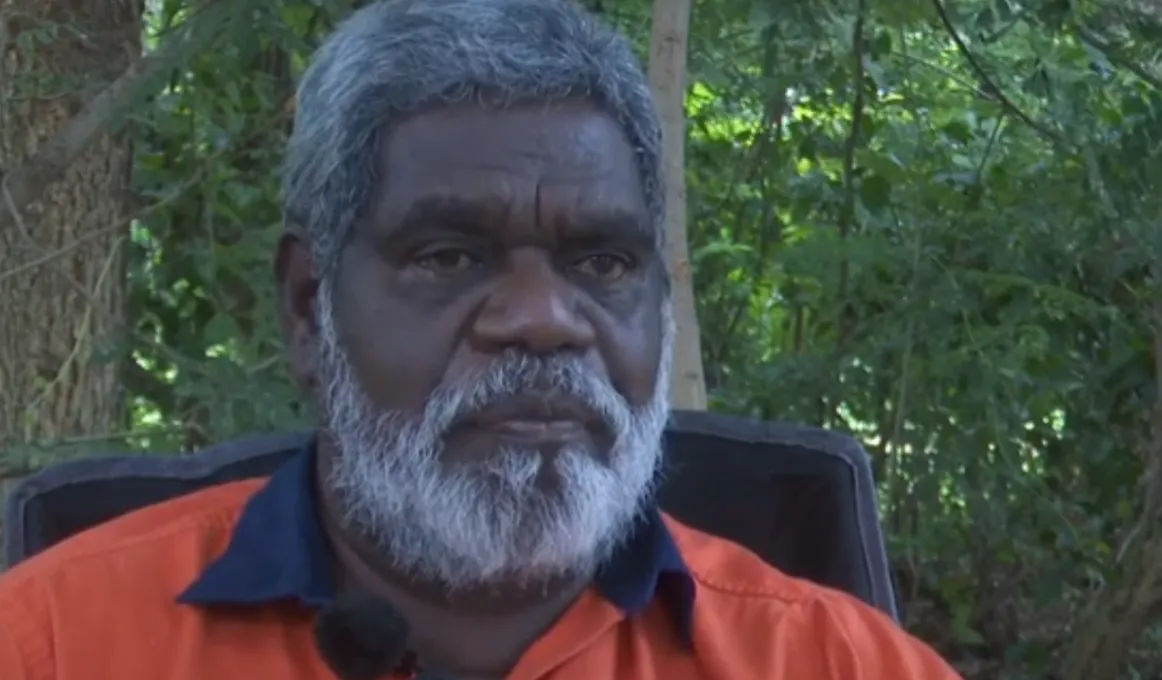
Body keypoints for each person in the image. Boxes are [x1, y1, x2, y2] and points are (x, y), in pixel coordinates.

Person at [0, 0, 963, 678]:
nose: (542, 319)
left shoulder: (835, 662)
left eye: (603, 264)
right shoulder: (48, 644)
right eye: (450, 256)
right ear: (307, 309)